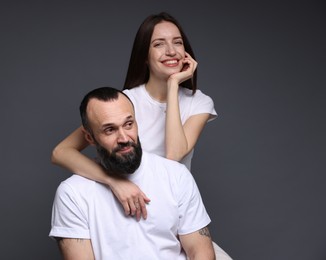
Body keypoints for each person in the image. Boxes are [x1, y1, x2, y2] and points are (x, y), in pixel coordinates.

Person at [51, 12, 232, 258]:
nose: (171, 51)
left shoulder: (197, 102)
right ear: (144, 56)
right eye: (158, 44)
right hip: (124, 210)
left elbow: (174, 155)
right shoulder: (126, 103)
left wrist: (173, 86)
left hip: (174, 214)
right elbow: (61, 152)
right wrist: (115, 182)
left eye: (177, 42)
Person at [50, 87, 215, 259]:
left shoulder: (176, 175)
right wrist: (113, 181)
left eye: (128, 124)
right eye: (109, 130)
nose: (124, 138)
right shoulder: (72, 193)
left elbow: (201, 252)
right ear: (90, 138)